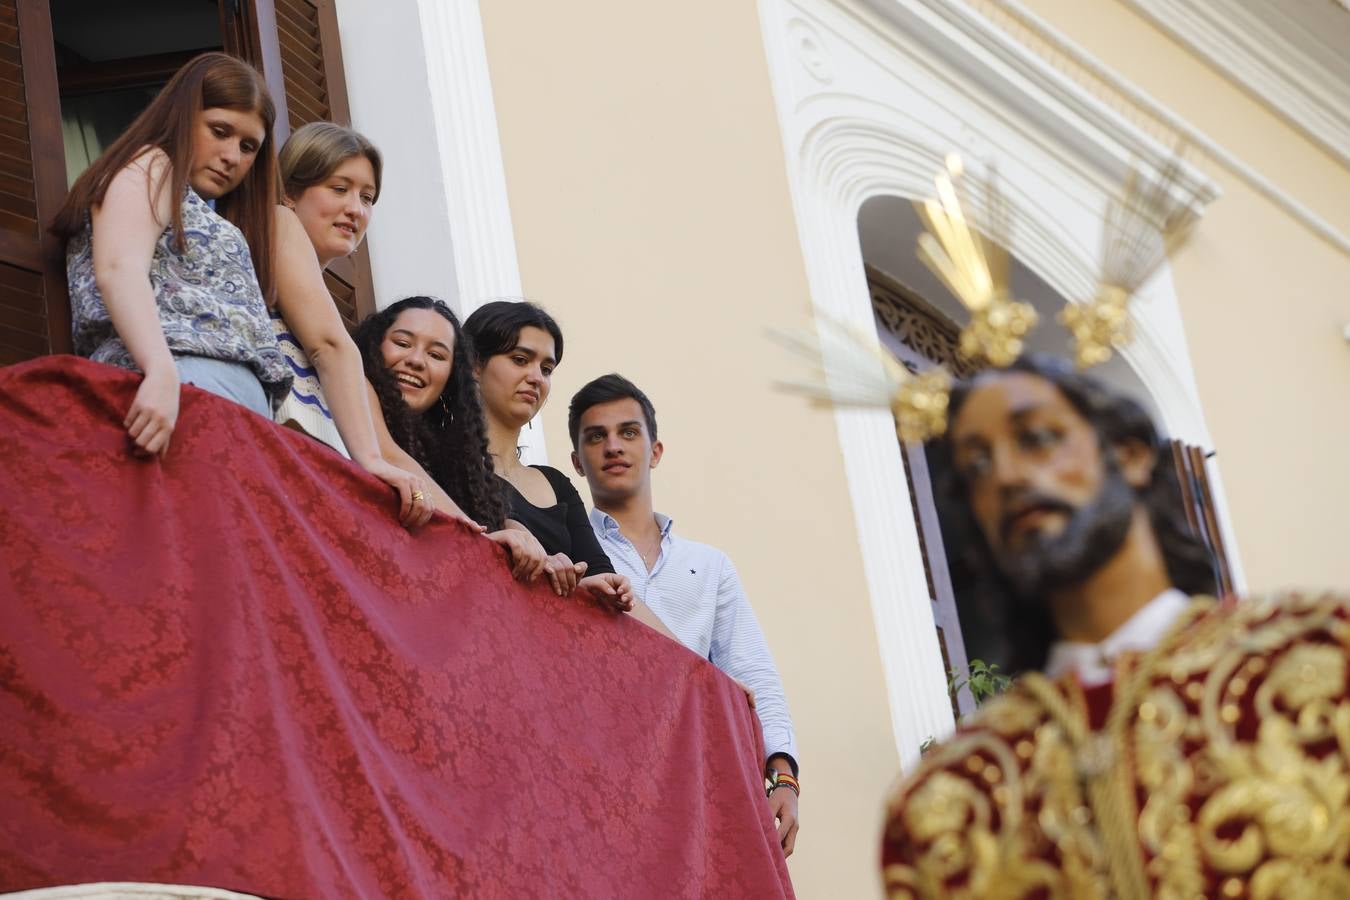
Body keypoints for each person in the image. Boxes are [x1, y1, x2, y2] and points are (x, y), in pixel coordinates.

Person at [881, 355, 1348, 899]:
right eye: (977, 467)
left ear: (1128, 455)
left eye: (1036, 437)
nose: (1006, 475)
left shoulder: (1319, 654)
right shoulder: (952, 798)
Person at [568, 374, 802, 858]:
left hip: (695, 773)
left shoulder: (710, 564)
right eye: (597, 436)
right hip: (593, 771)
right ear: (577, 461)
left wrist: (783, 775)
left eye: (628, 432)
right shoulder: (568, 549)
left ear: (655, 451)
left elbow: (751, 670)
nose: (613, 446)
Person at [53, 52, 290, 452]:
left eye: (248, 146)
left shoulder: (201, 206)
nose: (233, 156)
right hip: (179, 385)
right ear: (182, 116)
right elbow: (119, 267)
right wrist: (161, 373)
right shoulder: (153, 162)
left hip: (227, 406)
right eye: (219, 130)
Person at [271, 121, 444, 528]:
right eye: (338, 188)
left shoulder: (339, 346)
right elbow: (329, 347)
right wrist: (367, 460)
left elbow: (388, 453)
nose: (356, 209)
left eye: (367, 197)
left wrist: (481, 537)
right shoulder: (277, 221)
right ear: (288, 193)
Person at [353, 296, 572, 587]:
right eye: (403, 343)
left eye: (437, 355)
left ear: (452, 378)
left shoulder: (450, 461)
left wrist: (538, 554)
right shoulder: (349, 387)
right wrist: (481, 538)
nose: (417, 360)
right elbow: (387, 453)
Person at [462, 301, 633, 608]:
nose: (536, 378)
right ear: (475, 364)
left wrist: (596, 586)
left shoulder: (556, 483)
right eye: (519, 359)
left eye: (546, 369)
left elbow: (599, 573)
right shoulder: (441, 461)